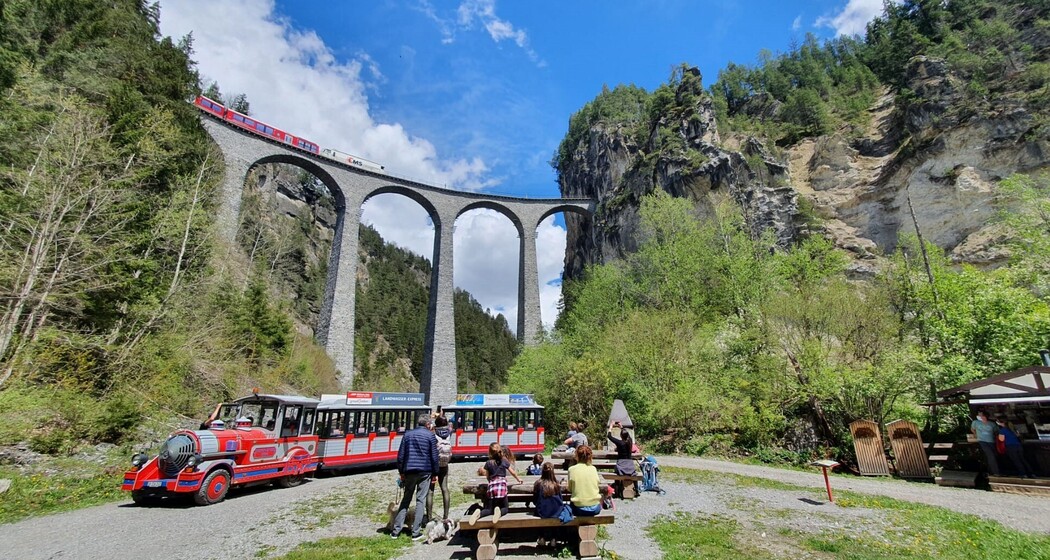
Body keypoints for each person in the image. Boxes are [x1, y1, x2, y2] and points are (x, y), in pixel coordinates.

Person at [392, 414, 438, 541]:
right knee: (420, 500)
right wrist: (435, 473)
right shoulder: (430, 436)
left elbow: (401, 455)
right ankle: (416, 532)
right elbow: (434, 456)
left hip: (409, 470)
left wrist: (401, 471)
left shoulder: (407, 434)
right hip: (425, 471)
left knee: (405, 500)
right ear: (428, 424)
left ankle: (396, 530)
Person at [468, 442, 522, 525]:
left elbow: (487, 476)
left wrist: (490, 481)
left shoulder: (488, 463)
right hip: (501, 487)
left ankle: (479, 512)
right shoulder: (504, 461)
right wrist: (519, 479)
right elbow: (513, 472)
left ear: (490, 452)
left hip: (492, 487)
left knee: (489, 510)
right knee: (505, 508)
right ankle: (499, 512)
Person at [426, 415, 453, 522]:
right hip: (444, 464)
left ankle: (429, 517)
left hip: (433, 464)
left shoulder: (432, 433)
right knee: (445, 489)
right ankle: (446, 516)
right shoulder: (449, 433)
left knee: (430, 491)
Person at [567, 445, 602, 517]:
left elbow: (570, 489)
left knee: (568, 506)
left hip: (578, 508)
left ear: (577, 455)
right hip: (595, 508)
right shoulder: (593, 469)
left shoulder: (572, 469)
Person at [971, 410, 1000, 476]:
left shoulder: (992, 423)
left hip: (991, 441)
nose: (979, 416)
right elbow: (972, 429)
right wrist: (975, 434)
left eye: (981, 415)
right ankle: (996, 472)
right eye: (979, 415)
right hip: (982, 441)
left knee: (992, 456)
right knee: (991, 455)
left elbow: (996, 431)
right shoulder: (975, 422)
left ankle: (990, 472)